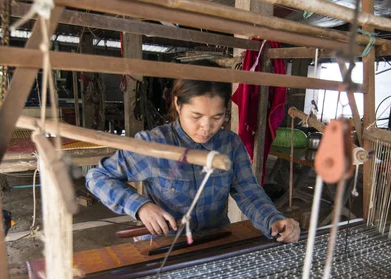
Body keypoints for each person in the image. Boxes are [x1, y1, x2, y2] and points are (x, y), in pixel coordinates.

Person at [86, 62, 300, 243]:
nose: (206, 127)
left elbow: (249, 192)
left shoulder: (230, 145)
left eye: (217, 117)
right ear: (178, 104)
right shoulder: (155, 145)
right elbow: (97, 177)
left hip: (213, 241)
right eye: (196, 116)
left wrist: (273, 219)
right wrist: (141, 207)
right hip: (164, 244)